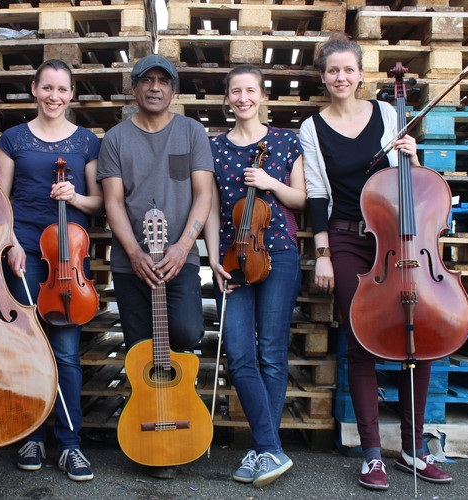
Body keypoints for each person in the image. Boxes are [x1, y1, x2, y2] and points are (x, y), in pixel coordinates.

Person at [300, 33, 452, 491]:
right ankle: (371, 454)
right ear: (323, 77)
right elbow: (317, 195)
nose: (341, 77)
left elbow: (412, 185)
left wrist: (412, 154)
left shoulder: (388, 114)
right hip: (348, 239)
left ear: (361, 74)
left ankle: (413, 448)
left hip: (401, 241)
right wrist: (323, 254)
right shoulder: (313, 127)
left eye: (348, 69)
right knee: (361, 338)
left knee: (421, 336)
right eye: (333, 71)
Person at [97, 54, 213, 479]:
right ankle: (151, 438)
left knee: (185, 331)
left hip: (178, 257)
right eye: (147, 80)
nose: (155, 87)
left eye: (165, 81)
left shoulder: (191, 132)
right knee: (140, 348)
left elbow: (203, 195)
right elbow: (112, 200)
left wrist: (184, 247)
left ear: (174, 90)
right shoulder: (116, 139)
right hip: (132, 263)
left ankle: (179, 409)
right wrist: (134, 253)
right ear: (134, 88)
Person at [0, 59, 102, 482]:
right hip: (25, 254)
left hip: (69, 259)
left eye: (62, 90)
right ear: (34, 89)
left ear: (71, 94)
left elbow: (100, 204)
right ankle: (31, 435)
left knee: (66, 353)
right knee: (27, 349)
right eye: (47, 88)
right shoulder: (13, 140)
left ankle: (70, 443)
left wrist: (74, 196)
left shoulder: (86, 142)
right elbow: (0, 202)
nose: (54, 97)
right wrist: (10, 244)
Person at [203, 65, 305, 487]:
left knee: (271, 353)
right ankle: (270, 449)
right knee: (240, 352)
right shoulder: (213, 148)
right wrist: (212, 257)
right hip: (232, 257)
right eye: (234, 91)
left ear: (262, 96)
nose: (243, 98)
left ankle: (264, 448)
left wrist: (269, 183)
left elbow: (301, 198)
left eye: (250, 91)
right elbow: (209, 204)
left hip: (278, 254)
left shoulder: (285, 140)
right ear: (227, 98)